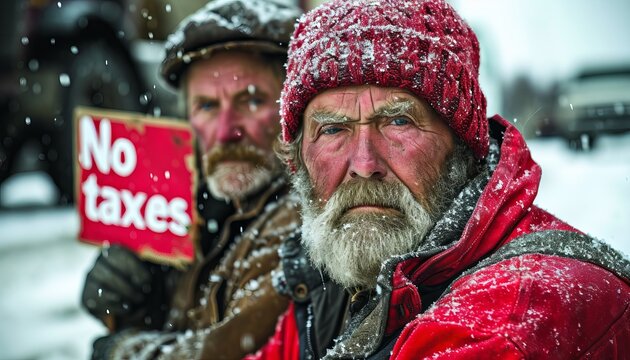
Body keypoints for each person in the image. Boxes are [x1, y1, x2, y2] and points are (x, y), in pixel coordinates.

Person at [248, 0, 630, 358]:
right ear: (298, 158)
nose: (364, 164)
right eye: (332, 129)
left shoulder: (501, 325)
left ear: (462, 148)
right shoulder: (334, 280)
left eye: (399, 121)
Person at [80, 1, 302, 359]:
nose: (226, 130)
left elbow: (231, 350)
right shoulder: (201, 207)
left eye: (251, 100)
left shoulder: (302, 216)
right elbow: (187, 323)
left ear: (292, 107)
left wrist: (122, 351)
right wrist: (144, 291)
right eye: (207, 106)